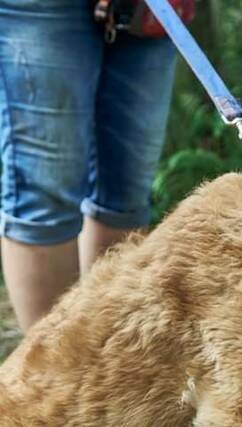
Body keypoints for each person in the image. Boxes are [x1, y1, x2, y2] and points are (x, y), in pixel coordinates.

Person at [0, 0, 177, 331]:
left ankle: (108, 359)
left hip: (152, 10)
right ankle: (47, 374)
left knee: (128, 194)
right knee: (45, 192)